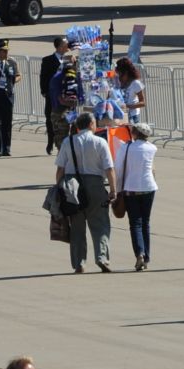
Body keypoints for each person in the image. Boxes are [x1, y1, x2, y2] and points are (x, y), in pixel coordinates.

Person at [55, 112, 115, 273]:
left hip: (72, 187)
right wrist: (113, 191)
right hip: (96, 185)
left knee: (76, 227)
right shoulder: (100, 142)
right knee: (100, 224)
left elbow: (60, 168)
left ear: (76, 127)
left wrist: (58, 189)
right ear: (91, 125)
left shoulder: (68, 142)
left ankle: (79, 263)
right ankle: (102, 258)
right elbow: (109, 168)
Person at [115, 121, 159, 270]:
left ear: (135, 133)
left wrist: (117, 189)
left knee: (135, 223)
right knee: (146, 222)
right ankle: (146, 257)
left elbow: (119, 169)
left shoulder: (126, 147)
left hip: (130, 189)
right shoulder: (152, 148)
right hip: (149, 187)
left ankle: (139, 253)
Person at [38, 36, 69, 155]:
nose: (68, 47)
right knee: (51, 120)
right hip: (52, 95)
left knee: (65, 119)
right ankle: (50, 141)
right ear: (60, 46)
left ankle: (62, 143)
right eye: (66, 45)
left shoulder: (68, 59)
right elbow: (43, 77)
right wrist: (44, 91)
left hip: (66, 95)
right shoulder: (47, 60)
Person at [114, 56, 146, 123]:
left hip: (133, 116)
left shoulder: (136, 83)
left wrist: (128, 106)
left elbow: (143, 103)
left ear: (126, 73)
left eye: (120, 74)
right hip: (120, 115)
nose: (119, 76)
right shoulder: (118, 82)